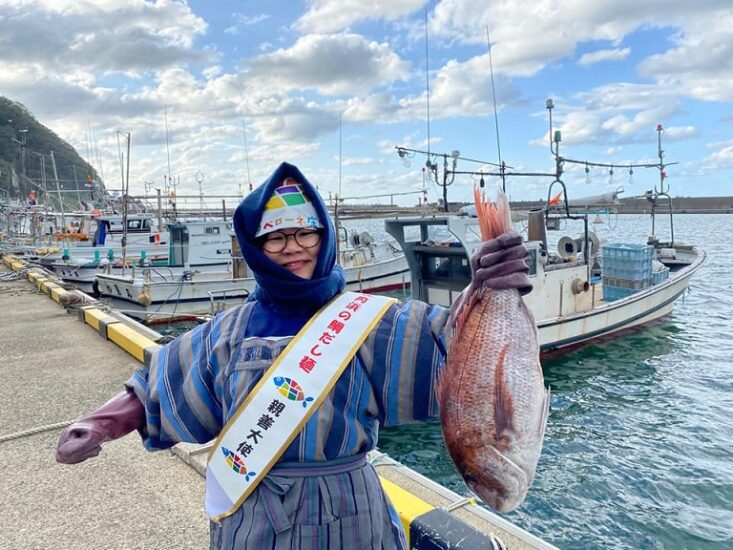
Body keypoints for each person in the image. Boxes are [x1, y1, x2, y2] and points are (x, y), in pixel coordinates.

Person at [56, 162, 531, 549]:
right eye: (276, 238)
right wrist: (101, 422)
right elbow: (161, 382)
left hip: (352, 516)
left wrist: (486, 287)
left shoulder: (373, 319)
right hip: (253, 516)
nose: (293, 249)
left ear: (324, 236)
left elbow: (463, 355)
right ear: (256, 247)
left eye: (306, 234)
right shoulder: (228, 330)